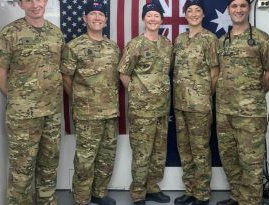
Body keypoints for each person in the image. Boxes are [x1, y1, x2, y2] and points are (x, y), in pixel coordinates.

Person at [0, 0, 64, 204]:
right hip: (23, 115)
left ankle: (47, 199)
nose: (34, 5)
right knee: (22, 166)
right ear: (20, 4)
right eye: (27, 0)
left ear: (46, 1)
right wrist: (18, 98)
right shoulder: (10, 33)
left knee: (49, 161)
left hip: (52, 111)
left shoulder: (56, 33)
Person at [215, 0, 269, 204]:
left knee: (251, 162)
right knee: (230, 158)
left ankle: (250, 200)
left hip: (251, 114)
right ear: (228, 10)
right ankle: (237, 196)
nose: (238, 10)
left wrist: (254, 94)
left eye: (243, 5)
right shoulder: (222, 40)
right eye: (234, 6)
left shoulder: (261, 39)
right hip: (224, 111)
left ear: (249, 9)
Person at [60, 1, 119, 205]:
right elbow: (66, 77)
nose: (97, 17)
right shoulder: (74, 46)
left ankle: (99, 193)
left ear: (105, 19)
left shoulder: (113, 47)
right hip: (87, 114)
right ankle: (81, 198)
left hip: (110, 112)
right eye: (92, 14)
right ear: (84, 18)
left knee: (106, 156)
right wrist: (82, 99)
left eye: (100, 14)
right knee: (85, 159)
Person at [117, 2, 173, 205]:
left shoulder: (167, 44)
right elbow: (124, 73)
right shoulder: (135, 44)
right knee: (142, 152)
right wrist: (137, 93)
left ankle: (152, 187)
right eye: (148, 15)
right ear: (143, 19)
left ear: (161, 19)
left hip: (161, 109)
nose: (152, 19)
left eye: (156, 15)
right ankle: (138, 193)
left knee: (159, 152)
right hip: (142, 111)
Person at [172, 0, 219, 204]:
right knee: (185, 150)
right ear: (185, 14)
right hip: (180, 104)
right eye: (189, 10)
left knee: (200, 149)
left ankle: (202, 193)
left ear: (203, 14)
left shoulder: (210, 38)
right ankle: (190, 190)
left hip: (200, 105)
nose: (193, 14)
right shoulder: (179, 39)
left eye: (197, 10)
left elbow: (215, 73)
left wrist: (205, 97)